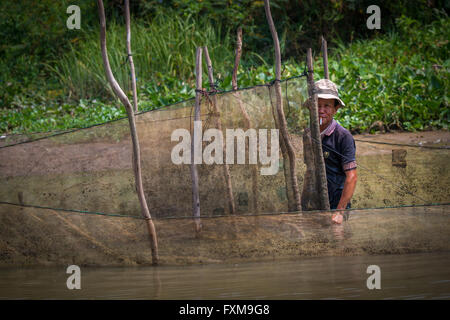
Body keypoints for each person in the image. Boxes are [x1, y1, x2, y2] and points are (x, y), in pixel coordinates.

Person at [315, 79, 358, 224]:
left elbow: (351, 177)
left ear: (335, 108)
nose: (321, 110)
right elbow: (310, 171)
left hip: (337, 202)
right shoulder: (309, 134)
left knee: (337, 238)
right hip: (316, 202)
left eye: (327, 106)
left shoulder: (343, 137)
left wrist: (340, 212)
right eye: (318, 105)